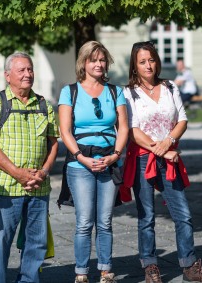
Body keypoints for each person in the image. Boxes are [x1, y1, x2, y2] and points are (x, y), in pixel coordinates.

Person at [121, 41, 202, 283]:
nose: (148, 65)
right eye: (142, 61)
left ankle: (189, 266)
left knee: (183, 214)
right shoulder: (127, 92)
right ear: (134, 64)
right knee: (146, 217)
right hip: (144, 158)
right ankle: (151, 267)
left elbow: (182, 120)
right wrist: (161, 150)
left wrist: (169, 141)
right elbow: (132, 130)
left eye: (151, 59)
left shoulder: (170, 87)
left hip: (169, 158)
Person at [0, 51, 59, 283]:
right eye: (21, 70)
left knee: (37, 242)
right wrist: (19, 174)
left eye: (30, 69)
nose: (28, 74)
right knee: (1, 240)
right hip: (5, 187)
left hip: (38, 187)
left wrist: (42, 173)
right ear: (7, 75)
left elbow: (53, 144)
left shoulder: (44, 105)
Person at [57, 41, 128, 283]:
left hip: (109, 159)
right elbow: (65, 130)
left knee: (105, 221)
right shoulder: (70, 91)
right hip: (80, 163)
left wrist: (115, 155)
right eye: (93, 59)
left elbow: (124, 128)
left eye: (102, 59)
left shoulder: (115, 92)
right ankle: (81, 272)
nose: (98, 64)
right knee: (85, 222)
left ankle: (106, 270)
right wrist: (80, 157)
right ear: (83, 63)